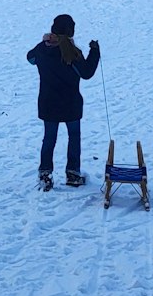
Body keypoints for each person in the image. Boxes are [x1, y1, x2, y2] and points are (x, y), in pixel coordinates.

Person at [26, 14, 100, 189]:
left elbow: (30, 58)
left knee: (49, 138)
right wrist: (95, 52)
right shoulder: (72, 53)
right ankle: (73, 174)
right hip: (70, 103)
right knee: (73, 137)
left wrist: (43, 42)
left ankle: (45, 174)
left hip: (48, 103)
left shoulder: (42, 49)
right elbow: (87, 73)